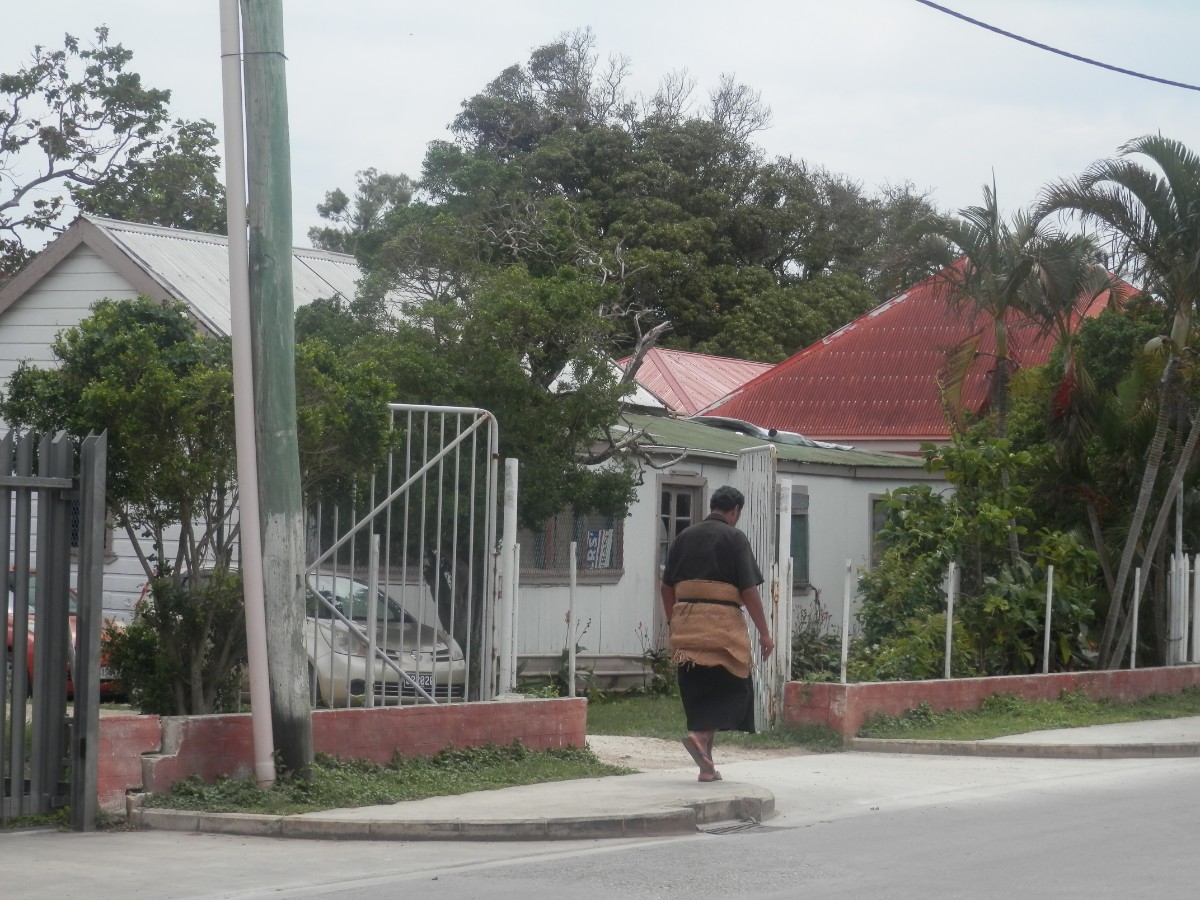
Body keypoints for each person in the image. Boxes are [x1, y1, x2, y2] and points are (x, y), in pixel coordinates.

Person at [659, 484, 774, 782]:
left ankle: (706, 767)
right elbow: (749, 591)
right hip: (722, 630)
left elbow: (666, 587)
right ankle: (699, 738)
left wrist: (674, 622)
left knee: (699, 692)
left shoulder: (683, 536)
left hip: (686, 629)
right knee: (735, 691)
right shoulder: (734, 538)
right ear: (735, 511)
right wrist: (764, 632)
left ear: (712, 506)